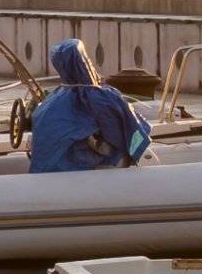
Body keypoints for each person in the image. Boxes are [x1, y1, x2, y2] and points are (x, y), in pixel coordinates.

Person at [28, 38, 151, 173]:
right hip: (81, 167)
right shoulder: (99, 97)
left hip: (46, 169)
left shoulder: (51, 99)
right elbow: (123, 130)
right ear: (84, 62)